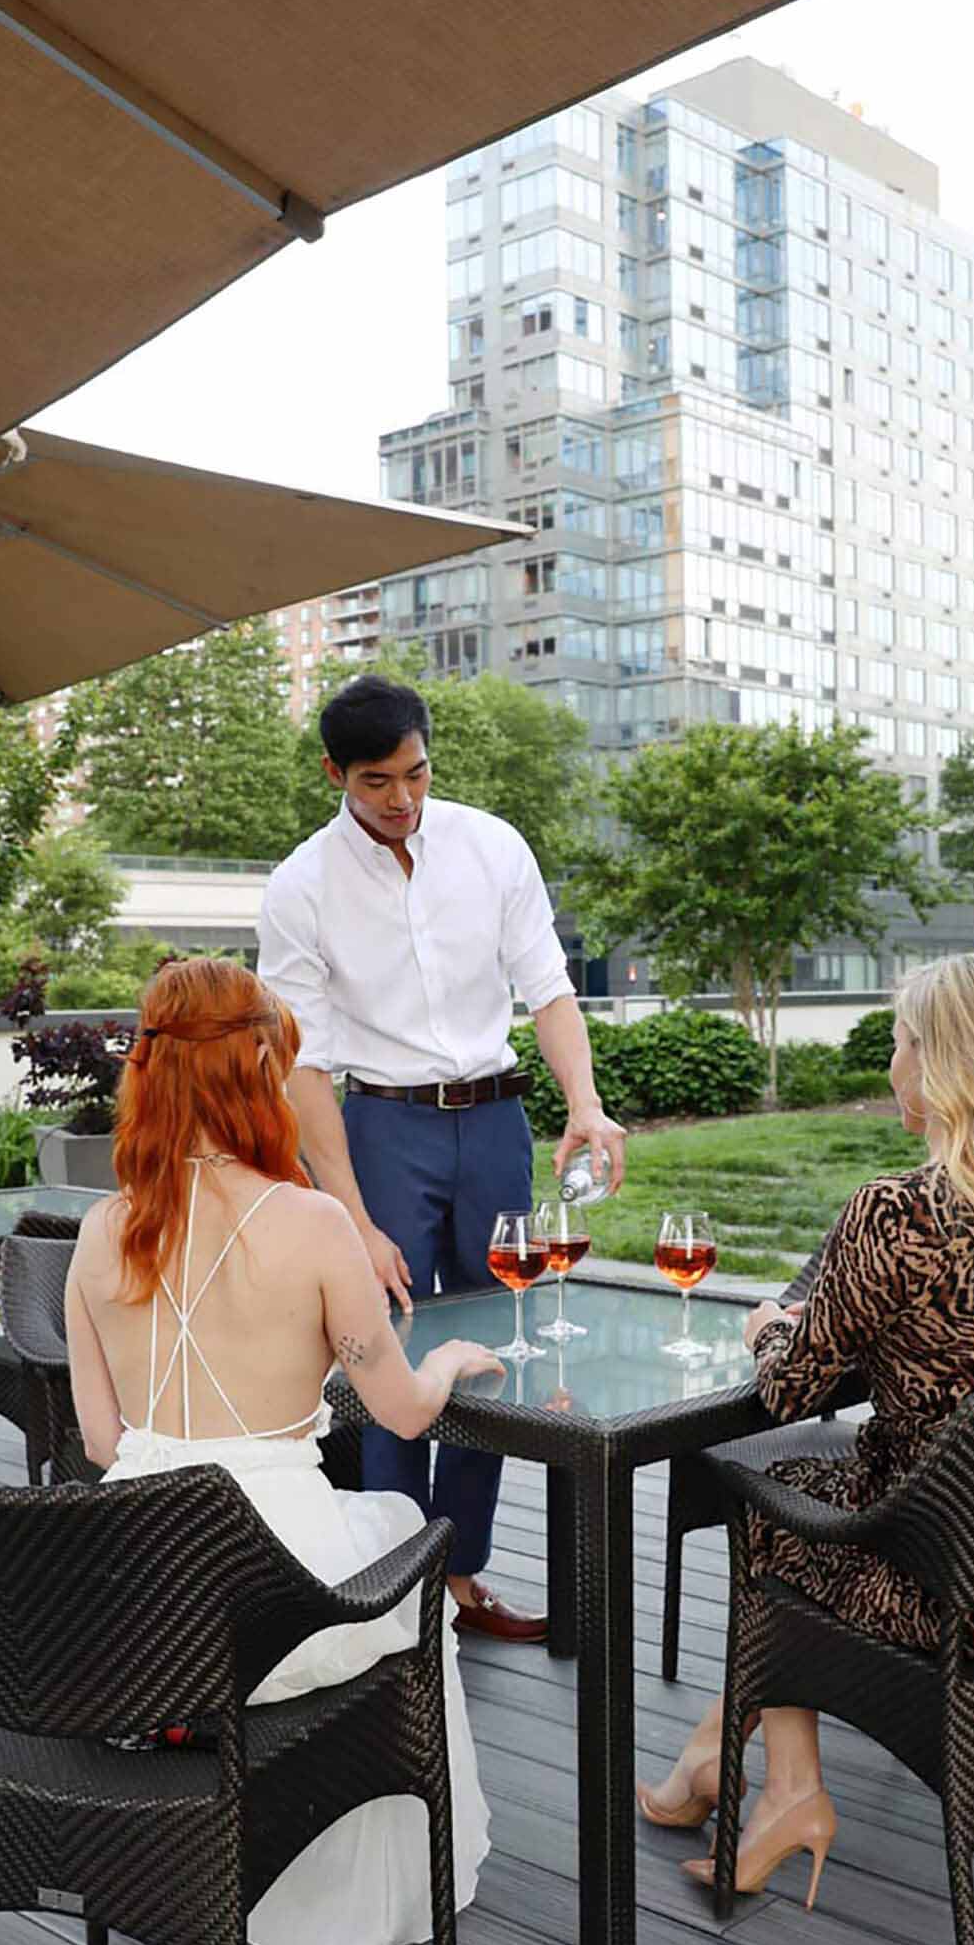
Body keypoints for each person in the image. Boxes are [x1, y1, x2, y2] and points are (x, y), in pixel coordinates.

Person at [637, 952, 974, 1908]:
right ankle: (711, 1749)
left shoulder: (896, 1212)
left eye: (901, 1042)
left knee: (767, 1504)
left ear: (940, 1065)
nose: (892, 1063)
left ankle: (787, 1791)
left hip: (969, 1597)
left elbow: (791, 1390)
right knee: (811, 1486)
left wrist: (771, 1329)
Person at [63, 957, 502, 1945]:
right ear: (258, 1064)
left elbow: (98, 1440)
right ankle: (345, 1881)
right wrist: (442, 1359)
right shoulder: (311, 1224)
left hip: (134, 1589)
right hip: (279, 1584)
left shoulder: (98, 1230)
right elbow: (397, 1406)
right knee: (402, 1544)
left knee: (366, 1550)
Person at [257, 674, 627, 1646]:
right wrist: (351, 1215)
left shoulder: (492, 844)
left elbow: (548, 989)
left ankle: (460, 1571)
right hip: (382, 1130)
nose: (403, 799)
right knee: (386, 1341)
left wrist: (583, 1104)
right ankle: (393, 1589)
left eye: (416, 773)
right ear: (335, 772)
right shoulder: (299, 885)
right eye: (378, 781)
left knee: (493, 1350)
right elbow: (303, 1062)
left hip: (495, 1122)